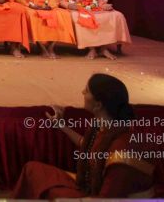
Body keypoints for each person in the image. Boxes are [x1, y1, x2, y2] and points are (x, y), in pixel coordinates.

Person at [12, 74, 153, 199]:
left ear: (98, 105)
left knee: (51, 193)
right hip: (88, 186)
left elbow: (108, 198)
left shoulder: (121, 151)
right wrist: (62, 126)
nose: (82, 92)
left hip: (101, 197)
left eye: (87, 91)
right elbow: (87, 144)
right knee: (32, 170)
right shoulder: (104, 126)